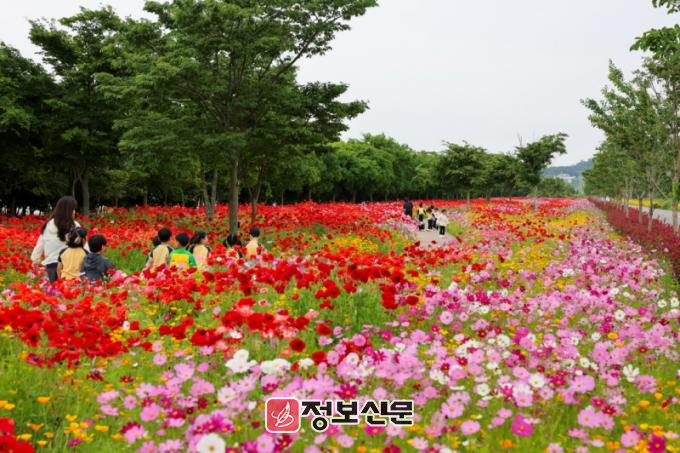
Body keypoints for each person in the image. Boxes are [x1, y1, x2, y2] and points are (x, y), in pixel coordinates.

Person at [31, 196, 81, 283]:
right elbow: (83, 246)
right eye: (73, 209)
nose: (74, 212)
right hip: (69, 267)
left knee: (55, 290)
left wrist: (35, 261)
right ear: (68, 211)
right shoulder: (75, 226)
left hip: (51, 266)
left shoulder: (47, 225)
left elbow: (39, 246)